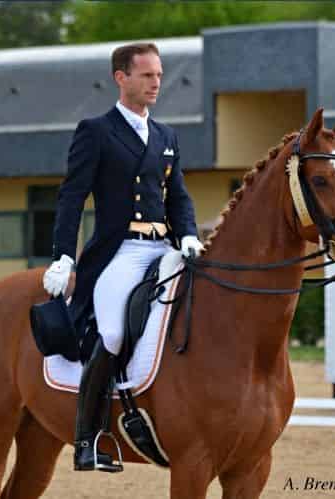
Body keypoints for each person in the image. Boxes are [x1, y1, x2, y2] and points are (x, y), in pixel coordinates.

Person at [42, 42, 202, 474]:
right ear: (121, 77)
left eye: (159, 75)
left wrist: (189, 235)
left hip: (164, 248)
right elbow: (72, 197)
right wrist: (63, 256)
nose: (156, 83)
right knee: (112, 333)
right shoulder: (96, 131)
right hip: (122, 251)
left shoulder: (166, 136)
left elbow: (178, 196)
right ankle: (88, 440)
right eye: (147, 75)